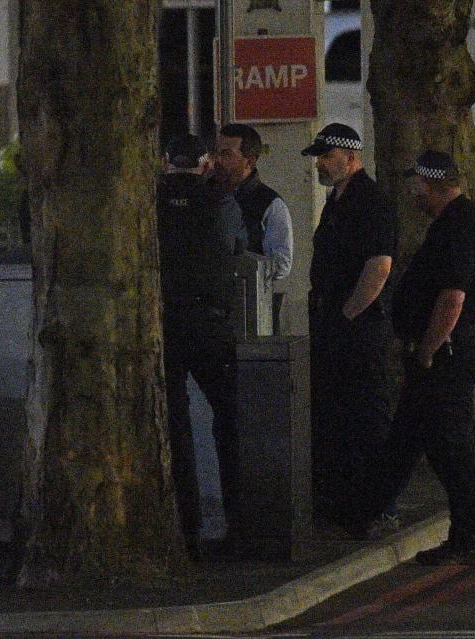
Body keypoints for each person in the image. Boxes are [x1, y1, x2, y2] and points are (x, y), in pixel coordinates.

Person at [360, 150, 475, 566]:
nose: (413, 192)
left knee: (449, 447)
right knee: (407, 438)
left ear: (432, 184)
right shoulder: (453, 224)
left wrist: (428, 350)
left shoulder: (458, 227)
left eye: (416, 183)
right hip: (439, 353)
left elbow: (452, 298)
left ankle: (469, 537)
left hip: (445, 356)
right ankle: (367, 510)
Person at [301, 123, 396, 531]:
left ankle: (373, 507)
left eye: (327, 156)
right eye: (319, 157)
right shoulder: (336, 201)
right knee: (337, 415)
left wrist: (347, 316)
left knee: (364, 417)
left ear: (351, 157)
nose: (320, 164)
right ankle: (343, 503)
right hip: (336, 325)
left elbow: (379, 266)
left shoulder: (369, 202)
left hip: (357, 329)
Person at [156, 134, 247, 557]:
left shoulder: (149, 201)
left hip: (165, 325)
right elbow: (239, 251)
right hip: (211, 324)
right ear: (205, 163)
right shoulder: (221, 202)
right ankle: (239, 521)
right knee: (229, 420)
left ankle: (185, 528)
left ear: (164, 161)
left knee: (173, 425)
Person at [212, 123, 294, 281]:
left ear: (248, 162)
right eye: (217, 153)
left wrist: (236, 258)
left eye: (227, 155)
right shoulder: (207, 193)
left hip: (245, 297)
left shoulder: (270, 204)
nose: (218, 161)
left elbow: (281, 263)